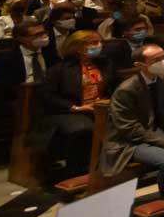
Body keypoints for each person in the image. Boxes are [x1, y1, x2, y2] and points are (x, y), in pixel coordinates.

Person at [100, 44, 164, 196]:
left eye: (163, 58)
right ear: (139, 65)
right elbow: (129, 128)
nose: (162, 63)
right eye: (156, 60)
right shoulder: (126, 90)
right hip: (129, 142)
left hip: (156, 133)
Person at [41, 29, 114, 181]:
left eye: (100, 42)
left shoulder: (105, 64)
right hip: (70, 111)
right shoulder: (59, 69)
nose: (99, 45)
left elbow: (116, 87)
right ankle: (78, 174)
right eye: (93, 43)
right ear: (77, 47)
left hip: (102, 107)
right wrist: (76, 107)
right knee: (84, 129)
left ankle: (112, 169)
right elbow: (49, 97)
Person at [0, 21, 57, 88]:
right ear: (21, 39)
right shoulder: (5, 59)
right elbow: (3, 85)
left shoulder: (50, 53)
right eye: (37, 34)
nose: (44, 36)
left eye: (44, 33)